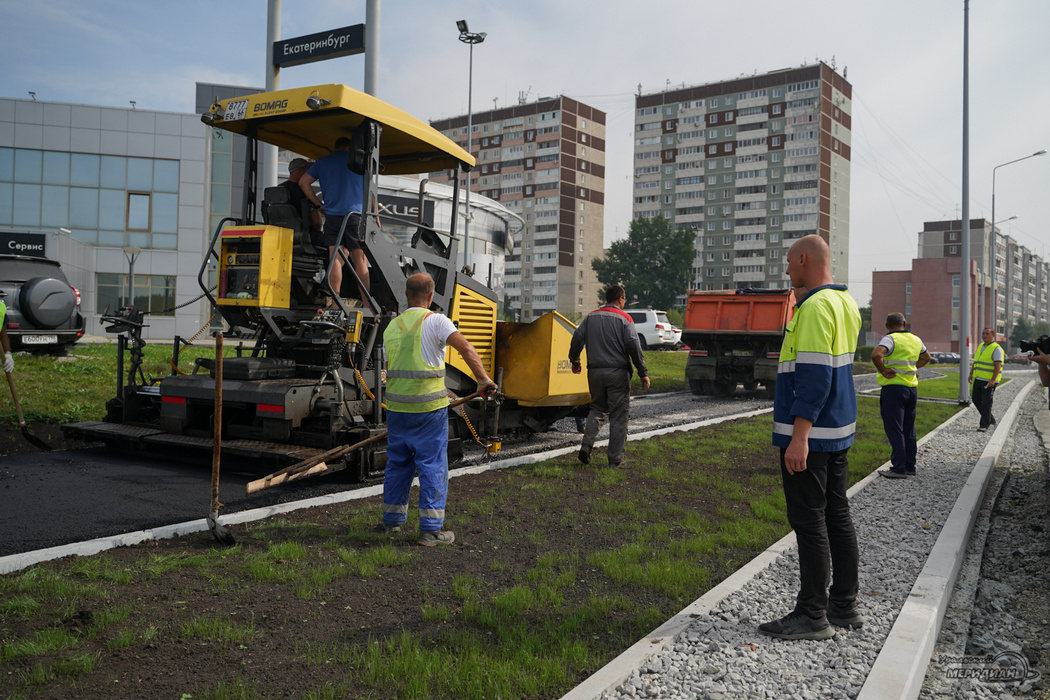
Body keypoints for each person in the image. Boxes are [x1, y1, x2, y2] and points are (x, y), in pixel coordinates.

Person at [759, 234, 862, 641]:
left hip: (811, 436)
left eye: (788, 261)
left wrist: (799, 436)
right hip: (837, 430)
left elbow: (815, 376)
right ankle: (844, 605)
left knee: (809, 521)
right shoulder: (844, 302)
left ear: (804, 259)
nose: (786, 269)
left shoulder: (815, 306)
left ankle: (811, 614)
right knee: (837, 516)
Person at [381, 273, 497, 546]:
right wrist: (484, 381)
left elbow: (391, 368)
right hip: (428, 411)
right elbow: (467, 350)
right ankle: (431, 531)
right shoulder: (436, 321)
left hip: (397, 410)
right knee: (432, 465)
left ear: (406, 295)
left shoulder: (392, 327)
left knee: (398, 465)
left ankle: (391, 523)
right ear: (431, 296)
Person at [568, 284, 650, 468]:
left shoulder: (590, 317)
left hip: (595, 372)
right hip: (617, 373)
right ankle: (616, 460)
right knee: (619, 416)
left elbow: (577, 338)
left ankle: (586, 446)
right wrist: (643, 372)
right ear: (620, 299)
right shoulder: (625, 318)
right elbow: (633, 347)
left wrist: (575, 361)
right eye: (624, 299)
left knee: (597, 409)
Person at [299, 138, 369, 308]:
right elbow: (369, 189)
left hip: (332, 216)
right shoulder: (358, 162)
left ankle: (335, 302)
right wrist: (376, 216)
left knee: (335, 258)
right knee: (360, 260)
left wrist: (318, 205)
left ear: (335, 147)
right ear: (349, 147)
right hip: (354, 216)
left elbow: (303, 183)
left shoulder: (322, 162)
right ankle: (367, 303)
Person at [871, 312, 932, 479]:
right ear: (905, 324)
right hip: (911, 389)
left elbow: (876, 355)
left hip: (893, 389)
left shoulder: (890, 339)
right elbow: (927, 357)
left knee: (895, 428)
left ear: (887, 326)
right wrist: (912, 369)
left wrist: (883, 370)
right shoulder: (916, 339)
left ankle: (898, 468)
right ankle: (910, 466)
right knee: (908, 428)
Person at [273, 157, 322, 239]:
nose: (310, 174)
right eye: (308, 171)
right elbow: (317, 223)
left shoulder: (277, 190)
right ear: (300, 171)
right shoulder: (305, 192)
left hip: (281, 237)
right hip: (305, 238)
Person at [968, 327, 1003, 432]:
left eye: (987, 334)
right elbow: (976, 362)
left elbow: (998, 365)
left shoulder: (996, 349)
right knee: (975, 399)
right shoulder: (980, 346)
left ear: (993, 335)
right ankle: (990, 418)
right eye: (983, 333)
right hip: (978, 378)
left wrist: (992, 380)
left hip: (989, 381)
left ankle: (984, 425)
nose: (984, 335)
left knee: (986, 402)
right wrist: (971, 373)